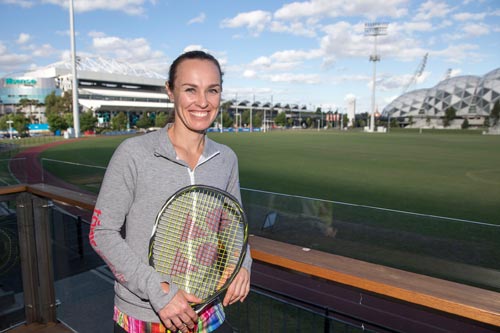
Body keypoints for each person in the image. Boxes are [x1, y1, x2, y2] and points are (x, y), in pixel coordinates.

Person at [89, 50, 252, 333]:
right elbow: (101, 233)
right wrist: (159, 290)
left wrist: (244, 264)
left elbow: (233, 227)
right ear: (170, 92)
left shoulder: (226, 158)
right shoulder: (134, 153)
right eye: (190, 89)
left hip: (208, 313)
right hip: (146, 316)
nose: (202, 102)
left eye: (212, 90)